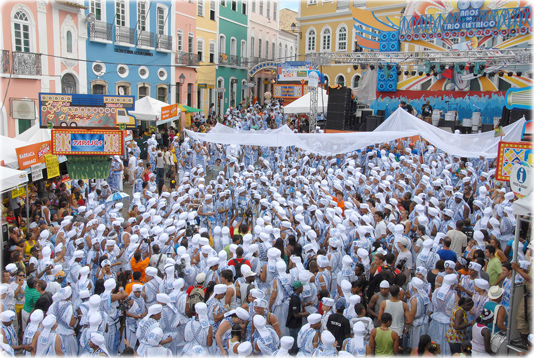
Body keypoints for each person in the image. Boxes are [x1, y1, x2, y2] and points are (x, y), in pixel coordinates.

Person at [287, 280, 309, 355]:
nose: (303, 288)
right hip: (294, 325)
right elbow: (295, 314)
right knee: (294, 346)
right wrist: (305, 314)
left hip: (296, 325)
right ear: (298, 288)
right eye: (301, 287)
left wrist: (305, 305)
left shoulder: (297, 297)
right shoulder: (294, 299)